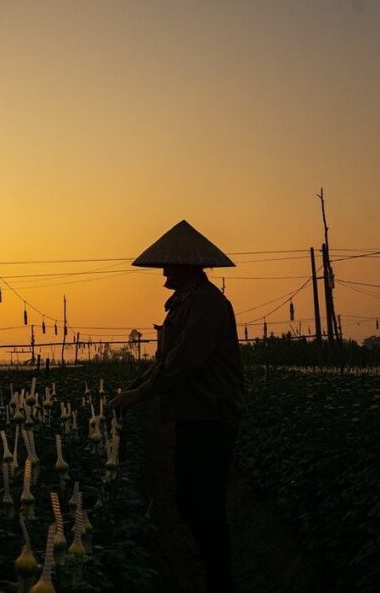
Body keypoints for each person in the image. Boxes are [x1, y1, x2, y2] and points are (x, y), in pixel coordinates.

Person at [110, 220, 244, 593]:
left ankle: (220, 581)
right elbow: (164, 361)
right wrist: (131, 389)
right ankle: (211, 569)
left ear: (186, 267)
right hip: (192, 414)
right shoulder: (185, 303)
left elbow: (184, 361)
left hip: (212, 415)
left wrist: (140, 395)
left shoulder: (207, 304)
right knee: (188, 500)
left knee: (206, 504)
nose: (164, 272)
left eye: (169, 265)